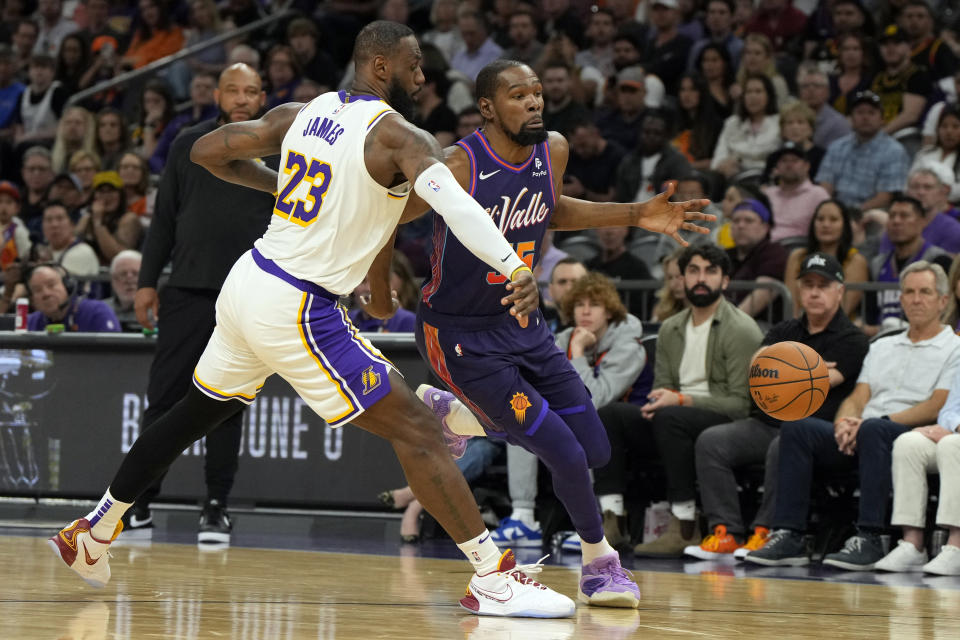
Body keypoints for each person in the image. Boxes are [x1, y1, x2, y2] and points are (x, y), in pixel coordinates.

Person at [48, 22, 578, 619]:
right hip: (298, 304)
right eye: (415, 65)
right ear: (382, 67)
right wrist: (514, 266)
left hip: (249, 280)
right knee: (423, 434)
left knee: (196, 411)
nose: (424, 77)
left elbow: (206, 152)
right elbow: (458, 206)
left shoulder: (304, 113)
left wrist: (282, 186)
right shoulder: (401, 137)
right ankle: (493, 576)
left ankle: (95, 529)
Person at [389, 57, 711, 607]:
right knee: (561, 450)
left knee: (594, 447)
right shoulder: (456, 166)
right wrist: (372, 287)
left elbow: (549, 210)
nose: (534, 102)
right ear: (487, 108)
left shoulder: (552, 149)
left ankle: (458, 414)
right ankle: (599, 565)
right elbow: (386, 215)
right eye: (519, 95)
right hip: (460, 334)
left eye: (538, 92)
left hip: (524, 325)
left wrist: (636, 214)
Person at [111, 64, 274, 544]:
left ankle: (216, 507)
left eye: (251, 91)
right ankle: (137, 505)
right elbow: (163, 221)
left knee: (229, 403)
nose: (242, 99)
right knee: (163, 399)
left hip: (248, 294)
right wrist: (146, 283)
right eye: (233, 90)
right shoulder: (189, 144)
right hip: (185, 289)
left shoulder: (283, 151)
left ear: (263, 96)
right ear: (217, 95)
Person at [746, 261, 960, 569]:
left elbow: (936, 404)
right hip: (863, 431)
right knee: (797, 427)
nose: (916, 299)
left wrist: (874, 424)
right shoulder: (883, 345)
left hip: (908, 433)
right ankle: (789, 534)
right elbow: (859, 395)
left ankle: (869, 537)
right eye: (909, 292)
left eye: (925, 292)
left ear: (942, 300)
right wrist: (844, 425)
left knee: (873, 428)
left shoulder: (954, 347)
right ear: (899, 299)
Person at [686, 252, 869, 560]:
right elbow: (755, 369)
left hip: (814, 432)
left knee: (783, 445)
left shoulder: (854, 340)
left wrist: (784, 366)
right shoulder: (785, 328)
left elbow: (823, 381)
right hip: (766, 423)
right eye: (807, 284)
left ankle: (765, 532)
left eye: (823, 285)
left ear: (840, 290)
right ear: (798, 290)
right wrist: (804, 367)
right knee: (711, 441)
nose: (813, 292)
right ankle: (727, 531)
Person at [593, 244, 763, 556]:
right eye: (693, 271)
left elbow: (740, 405)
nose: (701, 279)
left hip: (721, 422)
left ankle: (684, 524)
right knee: (610, 415)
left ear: (725, 281)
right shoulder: (670, 328)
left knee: (671, 417)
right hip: (673, 421)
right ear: (681, 279)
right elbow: (663, 388)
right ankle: (611, 519)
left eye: (711, 272)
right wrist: (661, 401)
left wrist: (681, 401)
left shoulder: (742, 329)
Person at [865, 195, 952, 336]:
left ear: (922, 222)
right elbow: (869, 314)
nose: (896, 221)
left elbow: (947, 310)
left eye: (904, 216)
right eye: (892, 216)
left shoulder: (939, 260)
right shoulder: (877, 264)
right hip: (882, 341)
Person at [816, 90, 910, 211]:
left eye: (871, 113)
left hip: (873, 214)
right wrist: (833, 212)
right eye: (860, 112)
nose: (865, 117)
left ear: (882, 119)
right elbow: (825, 186)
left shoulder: (895, 151)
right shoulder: (837, 146)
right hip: (837, 211)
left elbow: (885, 197)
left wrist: (854, 213)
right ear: (851, 119)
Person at [783, 199, 870, 318]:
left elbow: (843, 308)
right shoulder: (797, 256)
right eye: (820, 219)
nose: (825, 224)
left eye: (833, 219)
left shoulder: (855, 260)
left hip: (838, 332)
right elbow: (791, 306)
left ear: (844, 225)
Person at [726, 198, 788, 320]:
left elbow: (762, 294)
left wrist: (728, 325)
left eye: (749, 220)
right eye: (736, 221)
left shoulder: (774, 253)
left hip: (760, 326)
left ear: (765, 227)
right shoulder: (723, 255)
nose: (741, 225)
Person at [711, 73, 781, 180]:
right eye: (748, 92)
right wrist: (723, 165)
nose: (753, 96)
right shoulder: (732, 123)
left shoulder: (779, 122)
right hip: (733, 178)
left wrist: (739, 161)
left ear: (769, 95)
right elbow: (718, 159)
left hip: (767, 178)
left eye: (758, 91)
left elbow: (770, 156)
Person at [763, 143, 831, 242]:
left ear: (807, 166)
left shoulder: (818, 195)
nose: (789, 165)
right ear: (777, 167)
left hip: (800, 249)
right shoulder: (768, 194)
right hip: (765, 248)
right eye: (784, 160)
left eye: (795, 160)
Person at [25, 262, 119, 332]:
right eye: (37, 290)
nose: (46, 293)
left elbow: (114, 354)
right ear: (32, 300)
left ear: (67, 286)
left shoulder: (96, 312)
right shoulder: (30, 323)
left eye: (51, 285)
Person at [76, 171, 142, 266]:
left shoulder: (129, 219)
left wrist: (98, 222)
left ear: (120, 195)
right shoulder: (87, 218)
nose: (106, 196)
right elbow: (71, 247)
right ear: (94, 196)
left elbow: (117, 256)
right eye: (101, 191)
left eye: (111, 190)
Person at [796, 63, 851, 151]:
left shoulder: (838, 123)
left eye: (817, 86)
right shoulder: (792, 119)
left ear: (827, 92)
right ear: (799, 92)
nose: (811, 90)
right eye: (805, 86)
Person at [39, 201, 99, 278]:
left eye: (60, 219)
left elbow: (59, 283)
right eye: (49, 220)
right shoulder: (42, 252)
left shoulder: (82, 251)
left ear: (72, 225)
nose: (54, 225)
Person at [105, 249, 141, 333]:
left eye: (136, 274)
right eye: (123, 274)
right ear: (113, 280)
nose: (129, 280)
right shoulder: (101, 310)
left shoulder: (161, 312)